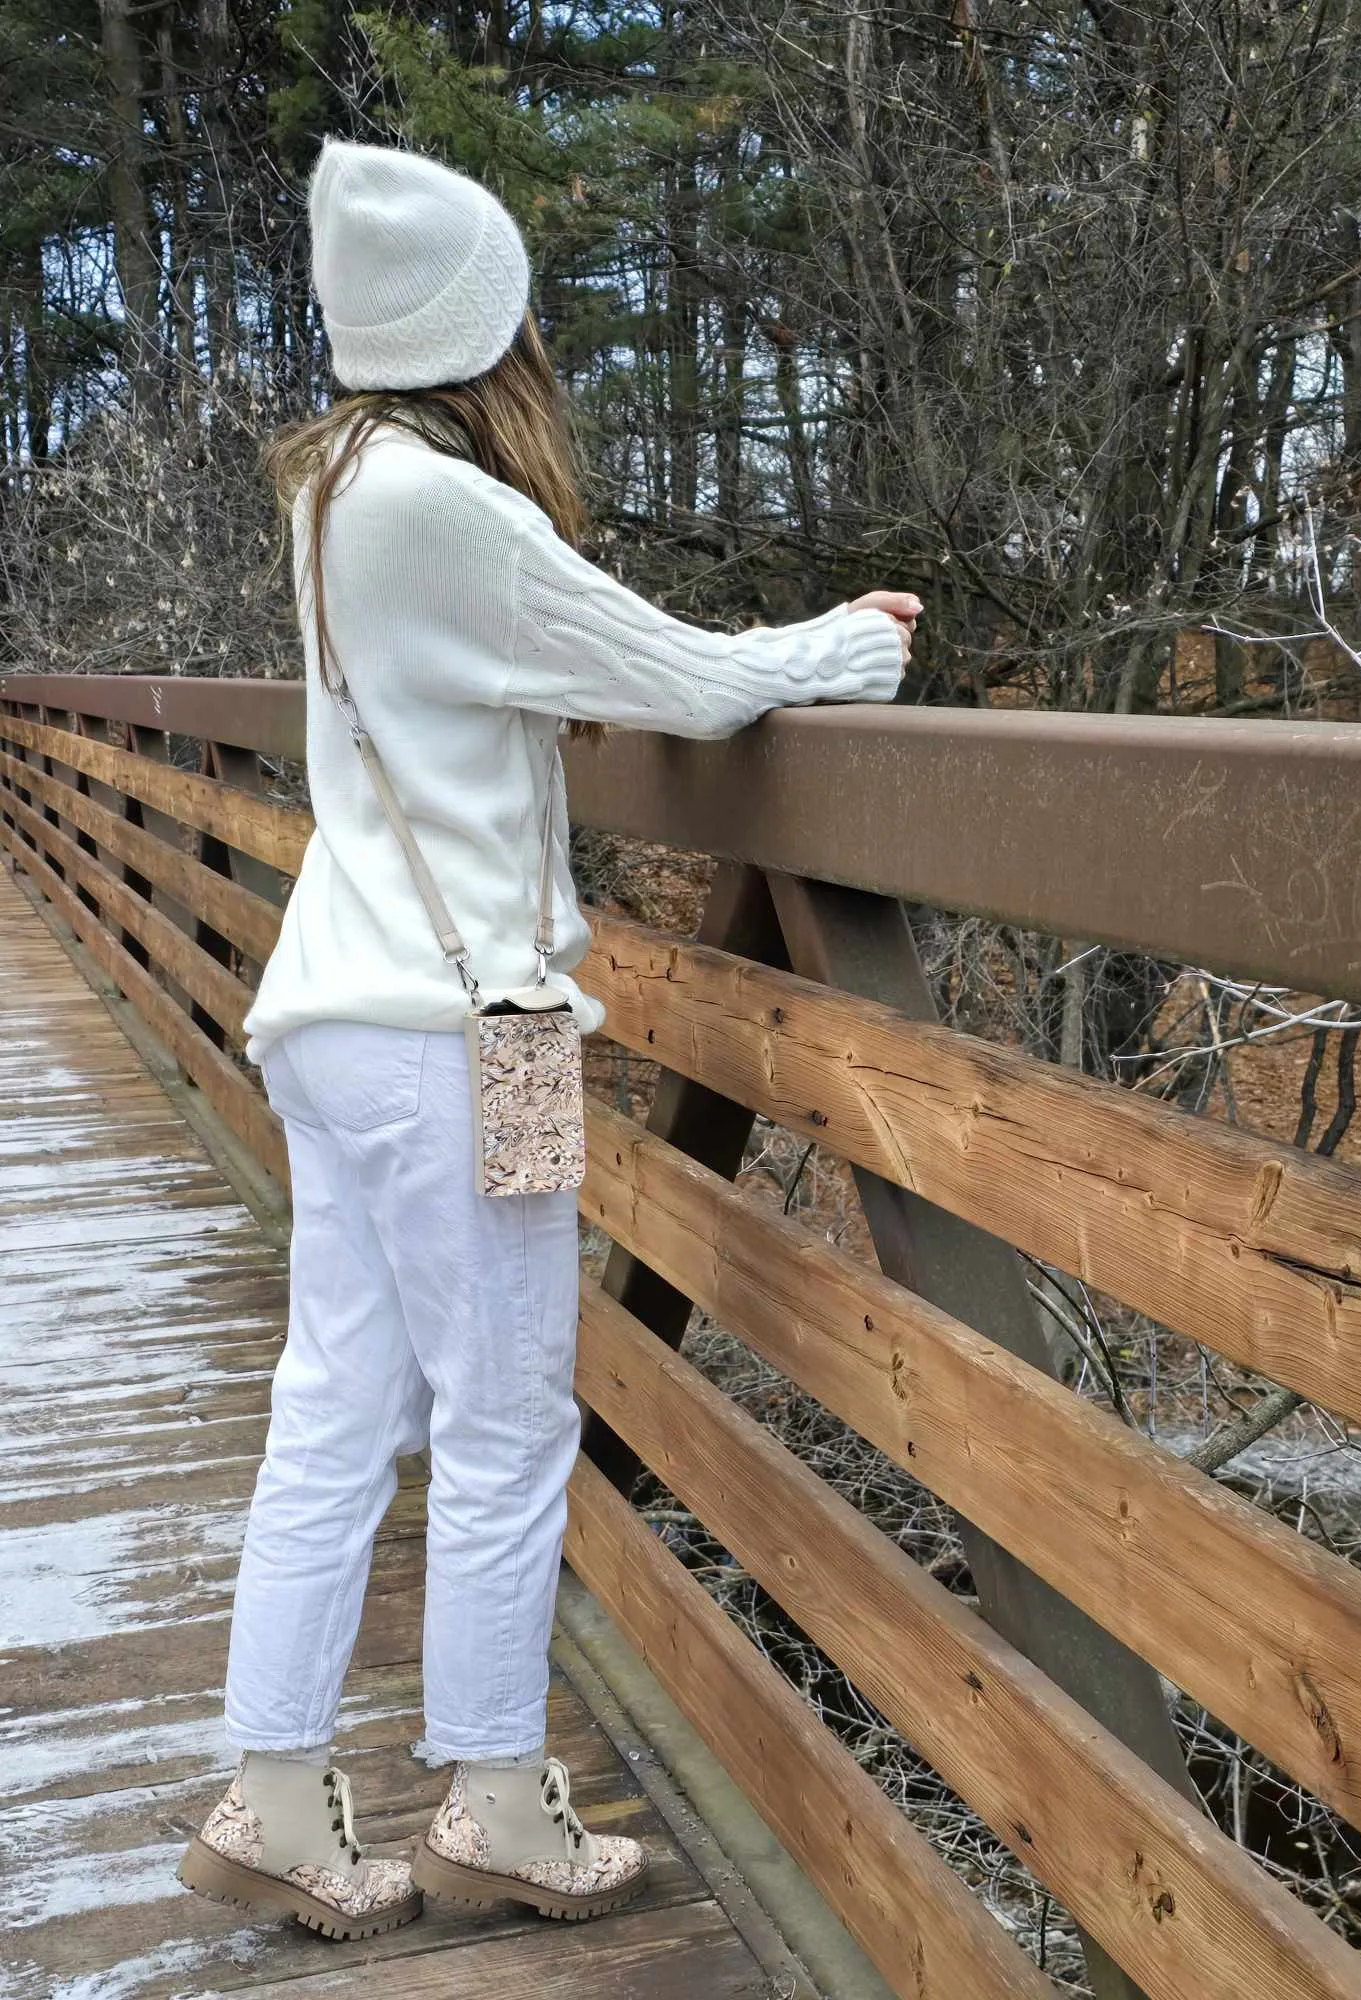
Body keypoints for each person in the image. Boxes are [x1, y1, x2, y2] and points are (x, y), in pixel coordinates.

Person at [176, 137, 919, 1942]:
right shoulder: (441, 507)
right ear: (478, 328)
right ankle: (494, 1805)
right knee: (508, 1421)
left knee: (338, 1409)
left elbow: (492, 688)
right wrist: (847, 645)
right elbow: (683, 674)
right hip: (458, 1030)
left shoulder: (332, 487)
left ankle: (273, 1797)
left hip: (341, 1014)